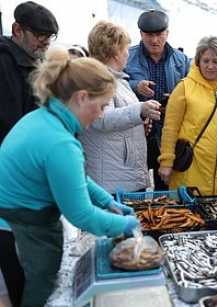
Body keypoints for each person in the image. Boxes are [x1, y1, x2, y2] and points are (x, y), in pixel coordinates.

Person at [0, 48, 139, 307]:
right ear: (82, 97)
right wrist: (126, 225)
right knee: (33, 295)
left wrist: (106, 201)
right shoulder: (60, 142)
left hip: (18, 224)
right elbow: (81, 216)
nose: (100, 114)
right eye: (100, 106)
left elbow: (75, 179)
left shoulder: (43, 119)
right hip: (17, 235)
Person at [0, 2, 58, 306]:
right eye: (39, 37)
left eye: (49, 39)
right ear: (17, 30)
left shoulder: (34, 60)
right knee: (17, 258)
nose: (44, 44)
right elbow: (11, 125)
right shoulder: (5, 63)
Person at [158, 36, 217, 196]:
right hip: (191, 173)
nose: (210, 66)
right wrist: (166, 162)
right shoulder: (184, 87)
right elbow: (170, 129)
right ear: (198, 61)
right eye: (206, 61)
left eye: (216, 61)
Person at [79, 21, 161, 194]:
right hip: (112, 182)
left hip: (121, 174)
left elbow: (120, 117)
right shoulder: (98, 79)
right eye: (125, 48)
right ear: (115, 51)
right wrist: (140, 110)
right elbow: (100, 119)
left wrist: (140, 121)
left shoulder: (116, 79)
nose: (127, 53)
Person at [125, 10, 189, 190]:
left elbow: (191, 88)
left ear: (167, 33)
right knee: (135, 185)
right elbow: (115, 83)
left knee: (166, 186)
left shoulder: (182, 60)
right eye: (149, 35)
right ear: (141, 34)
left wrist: (177, 97)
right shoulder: (128, 57)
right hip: (138, 128)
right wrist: (136, 86)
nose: (154, 40)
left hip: (168, 129)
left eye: (159, 34)